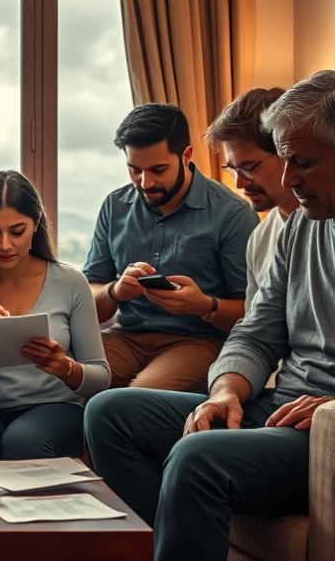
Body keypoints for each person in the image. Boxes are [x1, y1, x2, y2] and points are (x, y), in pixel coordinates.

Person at [85, 70, 335, 561]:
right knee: (108, 412)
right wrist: (225, 393)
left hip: (319, 427)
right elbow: (258, 333)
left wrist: (330, 402)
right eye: (283, 163)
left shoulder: (236, 216)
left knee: (197, 457)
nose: (286, 181)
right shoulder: (297, 226)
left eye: (301, 162)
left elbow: (231, 316)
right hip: (276, 406)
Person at [83, 103, 259, 391]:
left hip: (197, 342)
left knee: (137, 397)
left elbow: (255, 317)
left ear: (186, 155)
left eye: (158, 169)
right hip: (125, 337)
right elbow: (89, 297)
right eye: (134, 170)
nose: (145, 182)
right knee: (60, 375)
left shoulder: (233, 215)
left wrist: (204, 306)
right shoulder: (114, 206)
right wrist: (115, 291)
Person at [0, 171, 109, 460]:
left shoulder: (70, 281)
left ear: (36, 224)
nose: (5, 245)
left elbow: (100, 377)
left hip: (54, 406)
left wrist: (63, 366)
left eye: (17, 231)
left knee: (24, 441)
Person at [205, 87, 300, 312]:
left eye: (247, 168)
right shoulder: (259, 238)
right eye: (232, 168)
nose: (239, 183)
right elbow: (253, 326)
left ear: (286, 152)